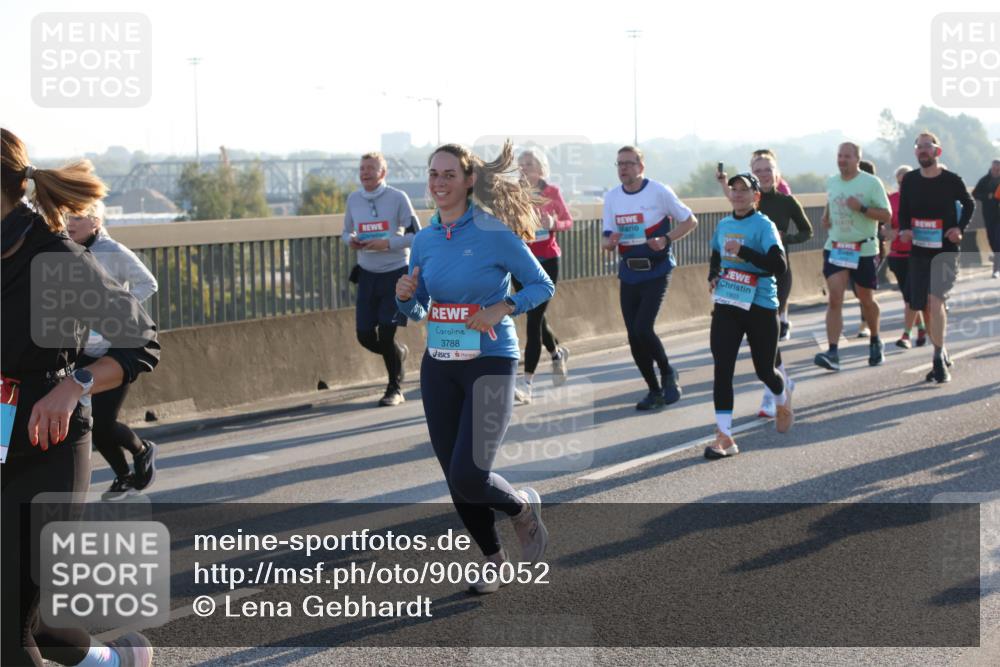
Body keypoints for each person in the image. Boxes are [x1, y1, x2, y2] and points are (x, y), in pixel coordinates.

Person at [2, 128, 159, 666]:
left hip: (45, 450)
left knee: (8, 632)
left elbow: (139, 340)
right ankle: (116, 661)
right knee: (37, 623)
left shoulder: (54, 258)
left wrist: (74, 386)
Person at [395, 141, 553, 594]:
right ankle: (494, 560)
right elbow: (420, 308)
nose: (438, 183)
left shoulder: (493, 232)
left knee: (470, 473)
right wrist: (406, 295)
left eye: (448, 175)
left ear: (468, 181)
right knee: (454, 477)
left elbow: (542, 285)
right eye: (433, 174)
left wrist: (503, 306)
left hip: (490, 361)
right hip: (440, 363)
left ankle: (521, 508)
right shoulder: (424, 239)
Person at [66, 201, 160, 501]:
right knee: (87, 422)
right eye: (67, 216)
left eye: (77, 216)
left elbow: (149, 283)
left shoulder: (114, 251)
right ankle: (123, 477)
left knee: (104, 422)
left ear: (95, 221)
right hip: (82, 348)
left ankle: (142, 450)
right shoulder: (68, 249)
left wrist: (120, 309)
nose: (70, 222)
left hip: (116, 349)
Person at [601, 146, 698, 410]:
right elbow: (605, 240)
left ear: (641, 167)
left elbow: (690, 221)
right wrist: (610, 242)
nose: (624, 168)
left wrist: (666, 238)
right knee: (633, 336)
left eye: (629, 163)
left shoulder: (659, 191)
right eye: (619, 164)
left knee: (643, 328)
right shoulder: (611, 197)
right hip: (629, 271)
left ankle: (667, 372)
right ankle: (654, 390)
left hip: (656, 270)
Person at [705, 173, 793, 459]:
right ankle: (724, 436)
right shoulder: (724, 224)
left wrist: (743, 251)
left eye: (745, 190)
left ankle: (781, 399)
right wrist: (714, 276)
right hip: (729, 303)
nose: (738, 194)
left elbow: (778, 265)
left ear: (756, 196)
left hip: (760, 305)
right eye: (734, 189)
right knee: (722, 368)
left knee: (764, 370)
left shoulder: (764, 226)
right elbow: (716, 256)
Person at [717, 153, 810, 419]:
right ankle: (783, 381)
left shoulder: (786, 201)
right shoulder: (748, 198)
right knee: (764, 341)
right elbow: (735, 202)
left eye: (767, 169)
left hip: (775, 275)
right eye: (758, 170)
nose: (764, 174)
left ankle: (772, 392)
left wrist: (786, 237)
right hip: (743, 280)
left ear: (775, 171)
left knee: (768, 338)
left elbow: (807, 231)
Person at [343, 152, 421, 407]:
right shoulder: (354, 199)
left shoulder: (398, 198)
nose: (365, 172)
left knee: (386, 334)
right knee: (365, 335)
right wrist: (351, 240)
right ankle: (399, 354)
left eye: (371, 168)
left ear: (383, 173)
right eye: (362, 168)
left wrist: (386, 243)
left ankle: (394, 389)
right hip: (367, 274)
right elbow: (345, 231)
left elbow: (415, 236)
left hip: (395, 273)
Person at [897, 132, 975, 383]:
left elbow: (969, 204)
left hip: (945, 251)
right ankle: (939, 350)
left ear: (937, 152)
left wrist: (959, 229)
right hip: (919, 250)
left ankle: (938, 357)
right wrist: (905, 229)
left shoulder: (951, 180)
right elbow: (904, 209)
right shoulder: (909, 180)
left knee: (934, 300)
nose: (923, 151)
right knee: (925, 307)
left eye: (927, 147)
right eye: (919, 147)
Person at [814, 142, 892, 372]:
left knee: (865, 298)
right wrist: (826, 219)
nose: (842, 160)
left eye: (847, 156)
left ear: (858, 159)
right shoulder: (832, 181)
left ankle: (876, 339)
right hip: (836, 247)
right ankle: (833, 352)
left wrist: (862, 209)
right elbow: (830, 204)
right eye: (839, 155)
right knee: (834, 298)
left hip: (864, 249)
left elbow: (887, 214)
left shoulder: (871, 183)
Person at [512, 148, 572, 404]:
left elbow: (568, 221)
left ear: (540, 169)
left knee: (533, 321)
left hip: (547, 260)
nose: (524, 168)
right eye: (521, 164)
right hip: (521, 262)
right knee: (536, 314)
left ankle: (527, 383)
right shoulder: (513, 193)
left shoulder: (552, 193)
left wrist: (553, 225)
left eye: (529, 164)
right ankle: (557, 354)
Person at [885, 165, 927, 349]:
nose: (903, 185)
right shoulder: (891, 200)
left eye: (907, 181)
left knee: (911, 296)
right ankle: (922, 327)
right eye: (900, 182)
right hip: (897, 255)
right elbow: (883, 227)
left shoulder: (922, 198)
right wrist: (889, 232)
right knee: (908, 297)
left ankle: (905, 335)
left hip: (917, 254)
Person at [972, 158, 1000, 278]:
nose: (995, 171)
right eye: (994, 168)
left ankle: (996, 269)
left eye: (998, 169)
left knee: (998, 240)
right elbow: (975, 193)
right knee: (992, 239)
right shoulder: (985, 180)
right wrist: (987, 196)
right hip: (989, 215)